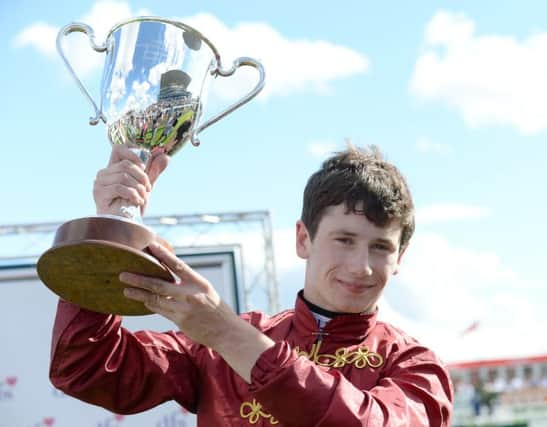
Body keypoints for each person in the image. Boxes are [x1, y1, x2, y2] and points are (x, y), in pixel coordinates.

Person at [49, 144, 453, 426]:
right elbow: (85, 368)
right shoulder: (217, 345)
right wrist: (113, 227)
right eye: (344, 240)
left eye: (381, 247)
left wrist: (229, 335)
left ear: (400, 258)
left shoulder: (415, 365)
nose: (361, 266)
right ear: (303, 239)